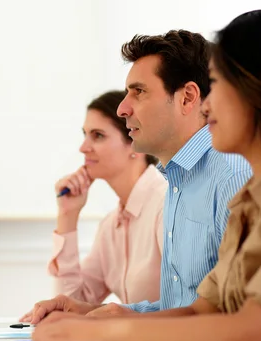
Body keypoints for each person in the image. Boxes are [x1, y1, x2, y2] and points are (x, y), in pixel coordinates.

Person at [31, 8, 261, 341]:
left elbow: (257, 330)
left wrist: (104, 332)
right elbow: (201, 309)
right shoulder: (251, 198)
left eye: (216, 84)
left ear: (259, 90)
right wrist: (103, 317)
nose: (208, 102)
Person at [23, 29, 252, 324]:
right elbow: (185, 308)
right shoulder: (178, 182)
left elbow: (241, 317)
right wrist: (112, 313)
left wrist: (121, 322)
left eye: (139, 91)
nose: (123, 108)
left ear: (187, 98)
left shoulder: (232, 176)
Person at [19, 91, 166, 323]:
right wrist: (67, 215)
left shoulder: (165, 204)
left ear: (135, 144)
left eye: (97, 136)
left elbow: (187, 305)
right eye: (85, 135)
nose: (83, 147)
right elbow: (69, 303)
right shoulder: (111, 225)